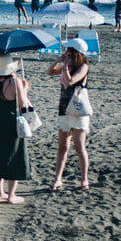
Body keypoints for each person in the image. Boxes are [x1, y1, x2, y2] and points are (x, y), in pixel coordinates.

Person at [0, 55, 31, 204]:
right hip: (11, 121)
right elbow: (23, 104)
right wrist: (25, 89)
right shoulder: (14, 81)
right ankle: (11, 195)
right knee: (14, 154)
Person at [47, 38, 91, 191]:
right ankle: (57, 179)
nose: (65, 53)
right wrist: (58, 61)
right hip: (64, 108)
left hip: (78, 110)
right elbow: (49, 72)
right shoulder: (68, 65)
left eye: (68, 51)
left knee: (79, 146)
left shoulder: (83, 67)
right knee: (62, 146)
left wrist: (65, 66)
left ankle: (84, 179)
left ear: (76, 53)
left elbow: (71, 81)